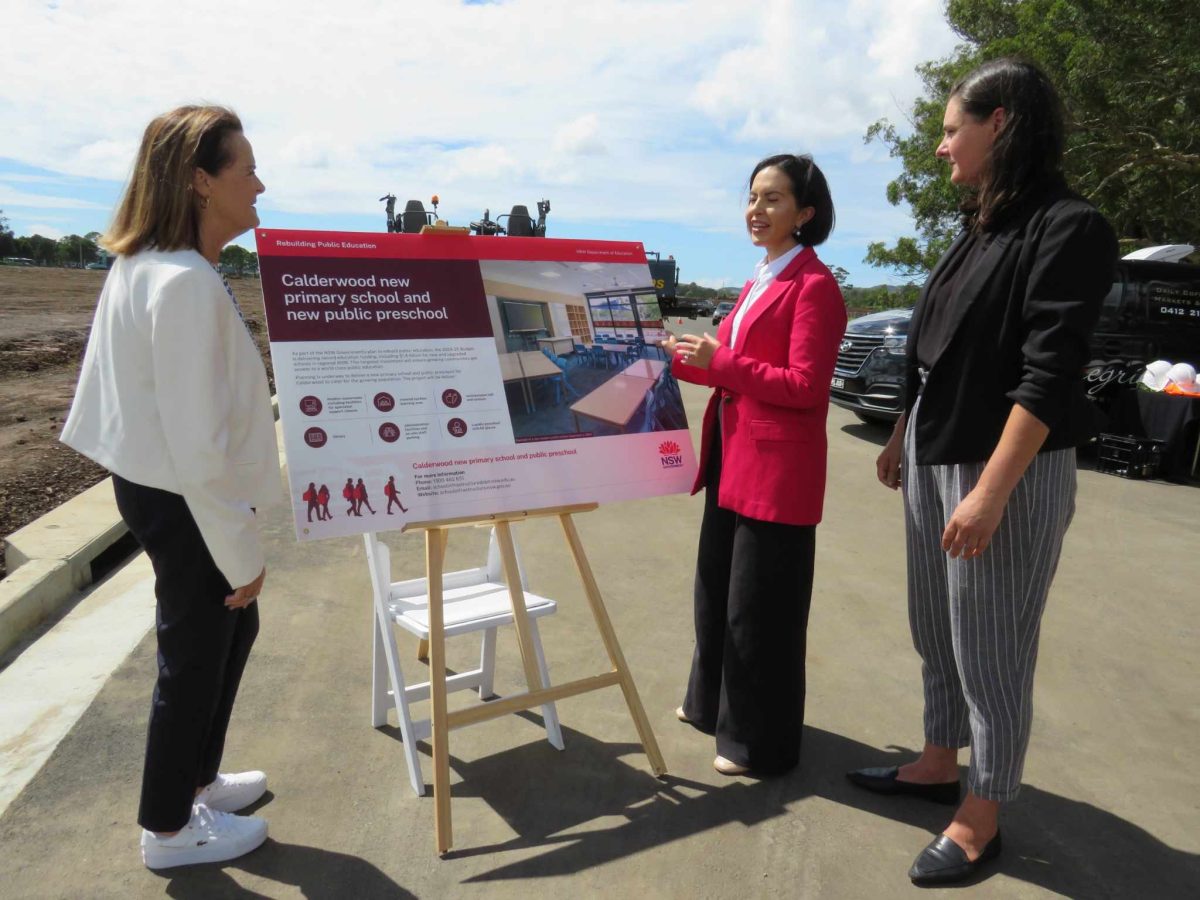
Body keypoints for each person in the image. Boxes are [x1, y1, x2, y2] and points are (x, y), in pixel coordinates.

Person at [845, 58, 1118, 886]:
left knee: (991, 646)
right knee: (937, 628)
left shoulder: (1068, 226)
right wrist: (901, 434)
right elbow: (937, 353)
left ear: (1000, 123)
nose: (939, 146)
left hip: (1003, 468)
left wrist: (991, 493)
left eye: (951, 127)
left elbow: (1049, 372)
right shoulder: (982, 224)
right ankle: (937, 761)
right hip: (935, 450)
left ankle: (984, 810)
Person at [61, 106, 279, 869]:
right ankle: (167, 827)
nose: (260, 185)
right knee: (197, 647)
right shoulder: (183, 281)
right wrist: (242, 550)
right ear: (199, 180)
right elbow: (198, 445)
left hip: (153, 484)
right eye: (245, 169)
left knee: (227, 633)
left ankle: (197, 782)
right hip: (181, 493)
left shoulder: (149, 263)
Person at [664, 154, 846, 776]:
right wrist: (672, 357)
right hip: (731, 455)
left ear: (805, 213)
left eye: (773, 199)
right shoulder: (761, 277)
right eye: (752, 197)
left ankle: (757, 743)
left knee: (759, 608)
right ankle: (710, 704)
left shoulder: (814, 286)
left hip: (776, 471)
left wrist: (721, 362)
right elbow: (728, 363)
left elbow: (804, 386)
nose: (757, 210)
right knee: (715, 589)